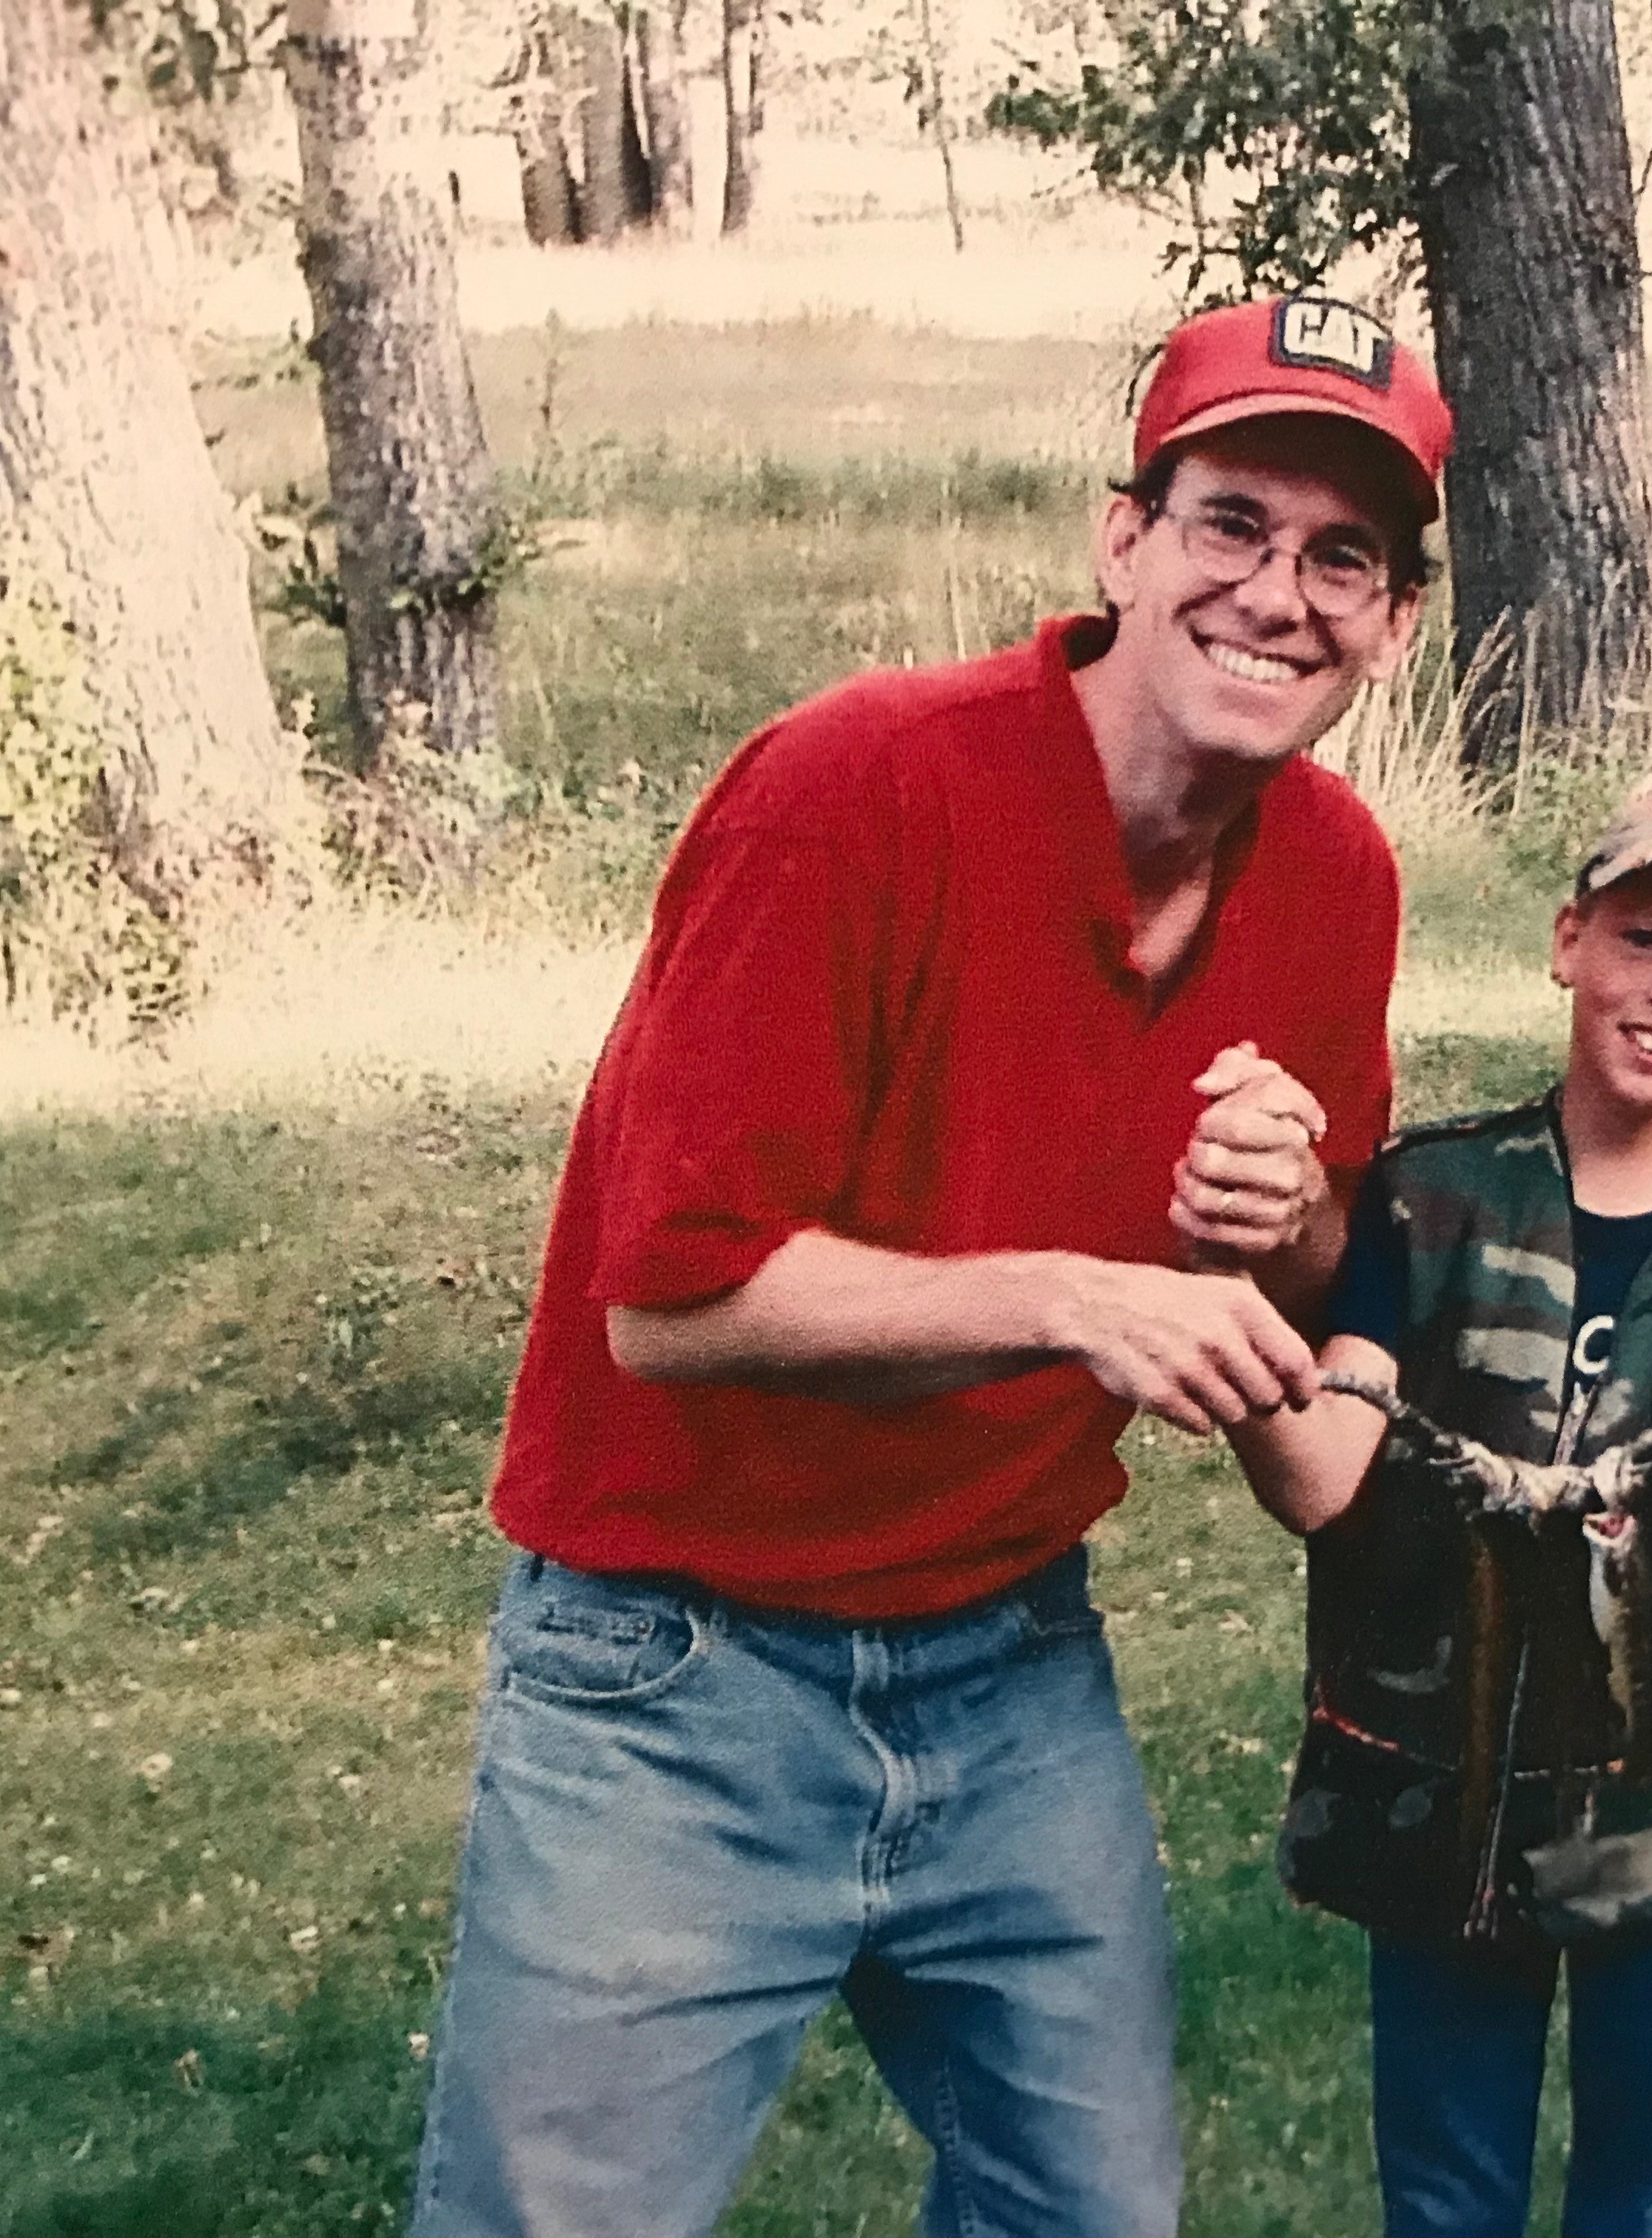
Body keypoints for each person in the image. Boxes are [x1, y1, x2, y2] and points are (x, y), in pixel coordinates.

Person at [407, 295, 1455, 2238]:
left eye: (1345, 558)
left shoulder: (1334, 877)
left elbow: (1322, 1293)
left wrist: (1295, 1211)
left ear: (1395, 620)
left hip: (1005, 1653)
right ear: (1122, 540)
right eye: (1231, 523)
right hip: (671, 1670)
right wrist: (1074, 1294)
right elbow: (672, 1302)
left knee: (1094, 2216)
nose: (1279, 593)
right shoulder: (858, 784)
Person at [1229, 759, 1652, 2238]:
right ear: (1567, 939)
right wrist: (1225, 1309)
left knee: (1640, 2211)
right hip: (1441, 1793)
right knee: (1445, 2203)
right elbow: (1327, 1473)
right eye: (1643, 937)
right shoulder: (1427, 1195)